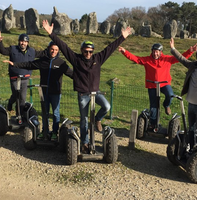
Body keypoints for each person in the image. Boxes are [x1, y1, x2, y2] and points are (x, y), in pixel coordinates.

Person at [42, 19, 132, 153]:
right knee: (83, 121)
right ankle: (84, 143)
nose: (88, 54)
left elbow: (110, 48)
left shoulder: (98, 59)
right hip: (83, 94)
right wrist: (51, 34)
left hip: (96, 92)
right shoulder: (76, 59)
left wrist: (122, 37)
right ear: (82, 51)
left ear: (93, 51)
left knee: (107, 106)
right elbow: (64, 47)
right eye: (85, 51)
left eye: (90, 52)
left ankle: (97, 119)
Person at [3, 41, 73, 141]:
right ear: (49, 49)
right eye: (52, 49)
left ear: (58, 51)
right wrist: (14, 64)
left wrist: (83, 79)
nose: (54, 51)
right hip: (44, 92)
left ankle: (54, 133)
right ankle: (45, 131)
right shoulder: (42, 61)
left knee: (56, 113)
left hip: (55, 93)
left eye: (56, 50)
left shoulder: (61, 63)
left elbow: (71, 74)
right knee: (45, 113)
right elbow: (29, 64)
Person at [118, 43, 197, 130]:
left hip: (164, 84)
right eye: (154, 52)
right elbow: (135, 58)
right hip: (152, 85)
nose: (155, 54)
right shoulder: (147, 60)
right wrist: (124, 51)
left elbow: (180, 58)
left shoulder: (167, 59)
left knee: (170, 95)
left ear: (160, 52)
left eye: (157, 52)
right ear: (151, 52)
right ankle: (153, 124)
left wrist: (190, 51)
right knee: (153, 106)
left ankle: (166, 105)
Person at [0, 30, 45, 115]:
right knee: (15, 94)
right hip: (14, 77)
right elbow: (3, 51)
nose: (23, 43)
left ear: (27, 43)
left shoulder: (32, 51)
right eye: (22, 41)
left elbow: (43, 53)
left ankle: (20, 115)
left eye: (25, 41)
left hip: (25, 77)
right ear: (19, 42)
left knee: (22, 97)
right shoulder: (13, 49)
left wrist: (53, 48)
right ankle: (10, 102)